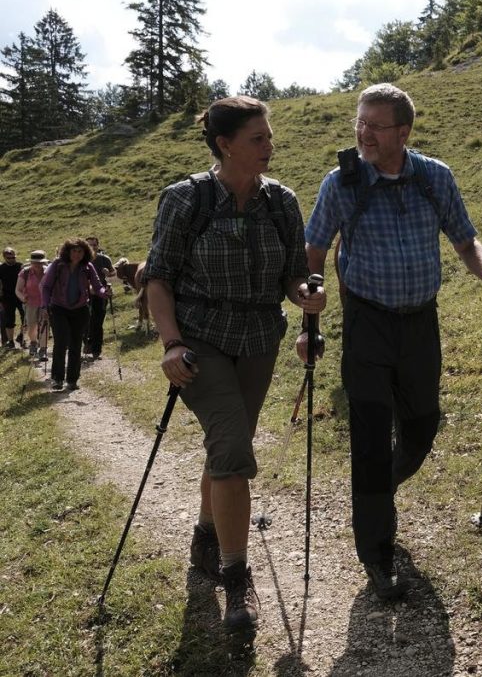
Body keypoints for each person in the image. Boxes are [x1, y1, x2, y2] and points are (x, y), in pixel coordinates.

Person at [303, 83, 482, 600]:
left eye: (375, 125)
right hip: (367, 324)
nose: (363, 133)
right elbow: (314, 250)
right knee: (370, 437)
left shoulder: (434, 177)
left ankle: (376, 491)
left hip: (421, 323)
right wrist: (309, 314)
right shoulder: (341, 183)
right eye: (359, 122)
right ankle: (377, 553)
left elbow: (465, 240)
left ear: (403, 132)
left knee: (422, 428)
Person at [144, 96, 325, 632]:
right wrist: (171, 343)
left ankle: (205, 535)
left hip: (259, 339)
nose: (270, 146)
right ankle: (235, 579)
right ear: (225, 145)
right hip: (200, 341)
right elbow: (158, 278)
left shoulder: (281, 201)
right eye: (258, 138)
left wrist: (305, 295)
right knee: (232, 448)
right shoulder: (186, 198)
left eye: (269, 136)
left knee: (230, 444)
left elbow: (293, 274)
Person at [39, 239, 107, 391]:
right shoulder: (58, 265)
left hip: (80, 309)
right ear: (68, 252)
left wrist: (105, 293)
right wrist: (44, 306)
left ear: (85, 253)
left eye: (80, 251)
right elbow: (46, 287)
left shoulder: (87, 266)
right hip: (58, 308)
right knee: (61, 342)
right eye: (74, 251)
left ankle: (72, 380)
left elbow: (98, 287)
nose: (77, 254)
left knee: (76, 345)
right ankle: (57, 378)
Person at [83, 236, 115, 361]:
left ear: (98, 245)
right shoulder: (81, 259)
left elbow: (113, 273)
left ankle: (96, 350)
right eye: (89, 245)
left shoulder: (104, 259)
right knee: (85, 321)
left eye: (94, 244)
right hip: (84, 295)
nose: (92, 247)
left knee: (98, 322)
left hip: (101, 294)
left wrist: (108, 273)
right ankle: (87, 344)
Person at [15, 250, 48, 357]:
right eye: (35, 262)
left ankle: (43, 349)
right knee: (32, 326)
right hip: (30, 303)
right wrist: (22, 298)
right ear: (31, 262)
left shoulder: (48, 272)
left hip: (45, 303)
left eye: (40, 262)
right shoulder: (25, 272)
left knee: (44, 325)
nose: (38, 264)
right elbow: (18, 290)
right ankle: (33, 343)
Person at [0, 246, 25, 349]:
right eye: (9, 258)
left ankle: (21, 336)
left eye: (13, 257)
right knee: (9, 320)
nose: (11, 259)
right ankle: (10, 341)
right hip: (7, 297)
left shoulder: (20, 266)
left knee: (25, 318)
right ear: (4, 257)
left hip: (21, 296)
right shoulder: (1, 268)